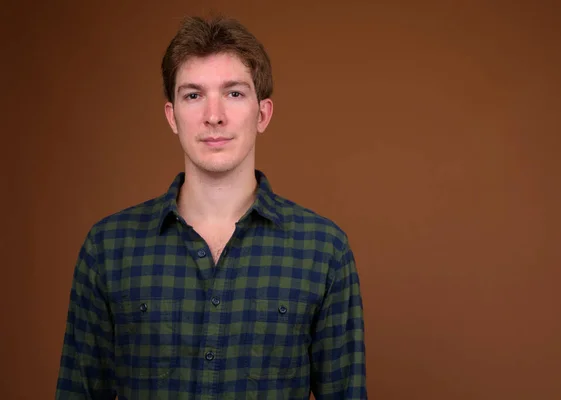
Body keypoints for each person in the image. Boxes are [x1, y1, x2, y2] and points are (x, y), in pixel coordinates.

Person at [55, 15, 367, 400]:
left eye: (234, 93)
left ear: (263, 113)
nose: (213, 115)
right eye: (193, 95)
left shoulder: (323, 251)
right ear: (172, 116)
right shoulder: (109, 248)